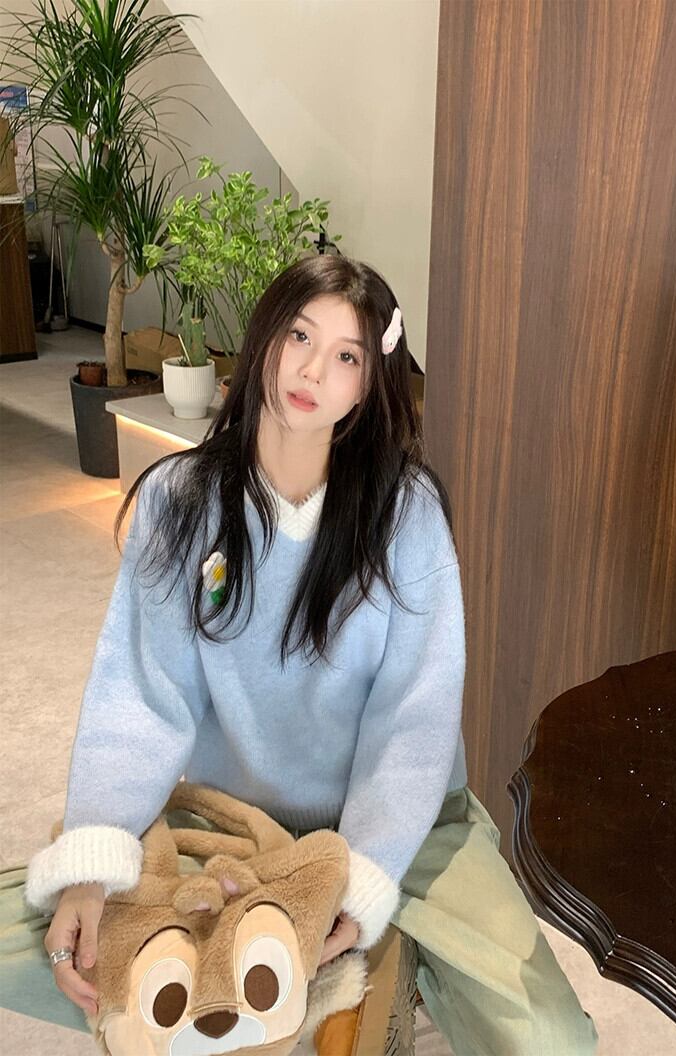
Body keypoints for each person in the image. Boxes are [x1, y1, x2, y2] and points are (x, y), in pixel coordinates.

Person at [1, 256, 598, 1055]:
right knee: (29, 939)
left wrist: (365, 878)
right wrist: (91, 860)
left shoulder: (408, 515)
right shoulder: (179, 501)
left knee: (553, 1037)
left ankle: (397, 965)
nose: (313, 370)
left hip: (399, 826)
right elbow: (142, 695)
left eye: (346, 355)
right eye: (299, 336)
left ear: (369, 384)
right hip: (233, 819)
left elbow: (412, 719)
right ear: (265, 339)